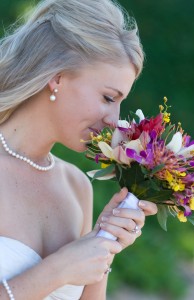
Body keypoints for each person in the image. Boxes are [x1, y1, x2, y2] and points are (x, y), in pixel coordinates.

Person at [0, 0, 157, 299]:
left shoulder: (76, 186)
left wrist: (106, 240)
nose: (114, 120)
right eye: (109, 97)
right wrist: (57, 270)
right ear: (57, 77)